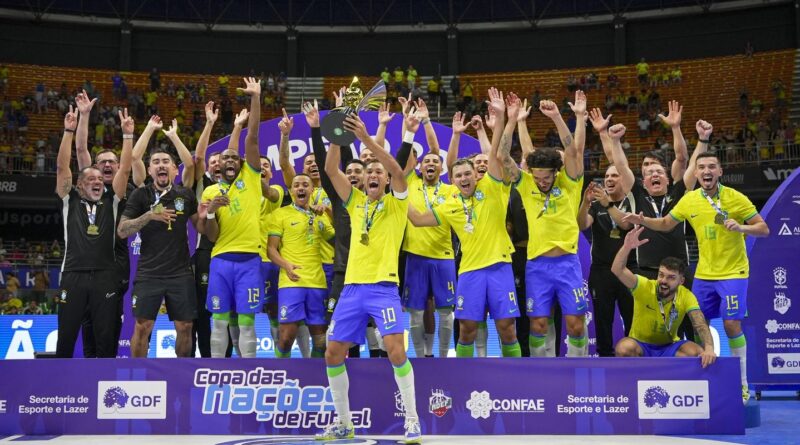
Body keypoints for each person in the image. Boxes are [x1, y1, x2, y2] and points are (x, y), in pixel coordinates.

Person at [623, 151, 770, 402]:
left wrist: (741, 227)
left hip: (733, 272)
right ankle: (704, 380)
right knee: (695, 323)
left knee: (731, 325)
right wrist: (643, 219)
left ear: (720, 171)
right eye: (701, 167)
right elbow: (666, 223)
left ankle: (742, 384)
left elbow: (763, 228)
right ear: (697, 173)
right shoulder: (690, 200)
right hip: (703, 274)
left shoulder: (736, 198)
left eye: (711, 166)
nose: (706, 171)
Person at [317, 113, 420, 443]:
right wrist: (337, 134)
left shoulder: (397, 202)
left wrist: (365, 138)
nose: (374, 174)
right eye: (369, 172)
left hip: (383, 288)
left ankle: (413, 421)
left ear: (386, 180)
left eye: (378, 172)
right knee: (333, 353)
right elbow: (331, 169)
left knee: (396, 352)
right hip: (351, 289)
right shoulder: (355, 201)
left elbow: (398, 170)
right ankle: (344, 423)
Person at [408, 87, 522, 359]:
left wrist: (502, 119)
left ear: (476, 175)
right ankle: (463, 376)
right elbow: (418, 219)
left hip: (500, 267)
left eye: (467, 174)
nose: (463, 178)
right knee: (467, 330)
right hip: (470, 272)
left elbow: (497, 154)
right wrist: (399, 198)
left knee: (507, 329)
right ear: (453, 180)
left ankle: (514, 375)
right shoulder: (450, 204)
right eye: (458, 176)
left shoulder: (493, 187)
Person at [499, 91, 588, 357]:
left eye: (546, 178)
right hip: (537, 266)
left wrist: (557, 117)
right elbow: (503, 156)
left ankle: (577, 371)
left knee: (575, 325)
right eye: (537, 177)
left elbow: (572, 150)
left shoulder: (570, 182)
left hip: (568, 264)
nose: (541, 182)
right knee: (537, 325)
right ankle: (541, 372)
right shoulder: (526, 184)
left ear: (556, 173)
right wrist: (511, 120)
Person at [197, 77, 281, 358]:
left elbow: (252, 137)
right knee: (219, 324)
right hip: (220, 261)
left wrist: (255, 97)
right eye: (226, 158)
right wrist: (211, 211)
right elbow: (211, 235)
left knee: (247, 324)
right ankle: (216, 372)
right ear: (218, 165)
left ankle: (250, 372)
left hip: (250, 262)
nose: (231, 160)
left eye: (235, 158)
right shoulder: (210, 190)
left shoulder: (252, 178)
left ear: (242, 163)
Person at [54, 105, 132, 358]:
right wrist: (68, 131)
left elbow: (125, 169)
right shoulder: (70, 199)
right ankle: (61, 378)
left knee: (106, 338)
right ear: (79, 184)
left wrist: (127, 136)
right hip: (73, 274)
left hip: (105, 276)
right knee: (66, 335)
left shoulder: (112, 200)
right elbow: (62, 167)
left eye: (100, 179)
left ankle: (103, 377)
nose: (98, 181)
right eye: (91, 179)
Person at [118, 137, 199, 357]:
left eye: (165, 161)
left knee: (185, 326)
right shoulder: (140, 195)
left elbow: (201, 227)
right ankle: (137, 372)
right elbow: (122, 230)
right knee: (142, 327)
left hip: (180, 272)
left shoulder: (185, 194)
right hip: (149, 273)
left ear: (174, 169)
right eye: (155, 162)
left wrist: (208, 213)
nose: (161, 165)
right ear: (149, 170)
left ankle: (181, 372)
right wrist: (149, 215)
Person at [611, 227, 716, 367]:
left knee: (695, 352)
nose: (664, 281)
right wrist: (626, 247)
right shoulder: (644, 286)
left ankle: (678, 381)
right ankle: (635, 380)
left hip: (669, 347)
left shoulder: (686, 295)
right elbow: (617, 269)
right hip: (641, 346)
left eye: (671, 277)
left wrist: (709, 348)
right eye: (661, 275)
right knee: (624, 349)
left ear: (681, 281)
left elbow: (699, 323)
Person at [402, 109, 458, 358]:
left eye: (436, 161)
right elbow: (405, 154)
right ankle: (421, 355)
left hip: (443, 257)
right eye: (427, 161)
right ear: (419, 166)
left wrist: (427, 122)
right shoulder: (410, 183)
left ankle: (443, 356)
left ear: (442, 167)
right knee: (415, 312)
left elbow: (435, 149)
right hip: (415, 257)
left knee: (445, 312)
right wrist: (409, 124)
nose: (431, 163)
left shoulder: (450, 190)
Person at [578, 121, 635, 357]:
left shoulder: (631, 200)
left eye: (615, 175)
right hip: (601, 271)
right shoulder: (597, 204)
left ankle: (633, 359)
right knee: (602, 320)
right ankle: (605, 359)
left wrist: (608, 204)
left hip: (629, 269)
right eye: (607, 176)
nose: (609, 179)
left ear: (624, 179)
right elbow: (582, 225)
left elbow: (626, 224)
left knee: (632, 318)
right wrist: (585, 203)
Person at [267, 173, 334, 358]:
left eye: (305, 184)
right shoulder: (280, 214)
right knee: (286, 338)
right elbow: (271, 250)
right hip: (291, 282)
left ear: (312, 190)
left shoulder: (320, 216)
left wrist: (329, 212)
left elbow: (340, 240)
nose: (301, 188)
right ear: (291, 190)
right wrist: (286, 265)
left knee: (321, 341)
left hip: (317, 282)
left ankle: (312, 372)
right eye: (296, 185)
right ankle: (282, 371)